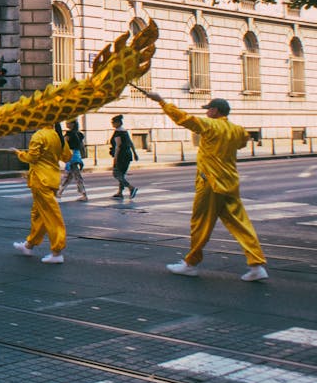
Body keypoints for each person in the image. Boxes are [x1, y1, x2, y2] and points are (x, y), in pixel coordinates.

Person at [141, 92, 268, 282]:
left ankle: (190, 264)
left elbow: (183, 118)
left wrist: (161, 101)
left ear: (215, 110)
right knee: (241, 224)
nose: (207, 112)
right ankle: (257, 265)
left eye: (208, 109)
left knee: (200, 223)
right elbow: (243, 142)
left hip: (210, 182)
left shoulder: (209, 125)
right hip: (230, 182)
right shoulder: (238, 130)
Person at [11, 120, 71, 264]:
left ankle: (57, 252)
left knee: (51, 215)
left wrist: (19, 154)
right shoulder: (57, 136)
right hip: (52, 179)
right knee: (39, 215)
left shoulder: (39, 136)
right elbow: (66, 156)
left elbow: (32, 157)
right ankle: (29, 245)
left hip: (40, 180)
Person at [56, 120, 88, 201]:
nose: (67, 123)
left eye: (69, 122)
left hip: (71, 156)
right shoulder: (79, 134)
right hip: (76, 156)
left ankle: (84, 194)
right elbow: (81, 146)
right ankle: (59, 192)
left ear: (73, 124)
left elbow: (63, 144)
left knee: (76, 176)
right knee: (68, 176)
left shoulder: (69, 134)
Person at [108, 114, 138, 199]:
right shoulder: (125, 131)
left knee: (116, 173)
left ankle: (131, 188)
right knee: (122, 174)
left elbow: (118, 146)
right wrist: (135, 153)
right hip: (127, 155)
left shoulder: (118, 133)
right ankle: (120, 192)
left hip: (121, 156)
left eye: (113, 122)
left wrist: (115, 158)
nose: (112, 124)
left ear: (118, 123)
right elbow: (130, 142)